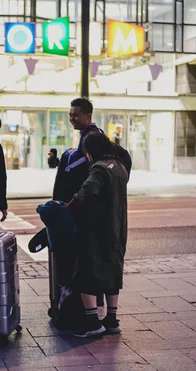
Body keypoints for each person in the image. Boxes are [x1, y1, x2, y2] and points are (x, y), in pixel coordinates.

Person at [67, 132, 128, 338]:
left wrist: (71, 203)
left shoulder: (100, 168)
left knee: (85, 271)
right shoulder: (119, 165)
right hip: (117, 227)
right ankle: (111, 319)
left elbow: (87, 192)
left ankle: (92, 322)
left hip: (97, 229)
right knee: (113, 271)